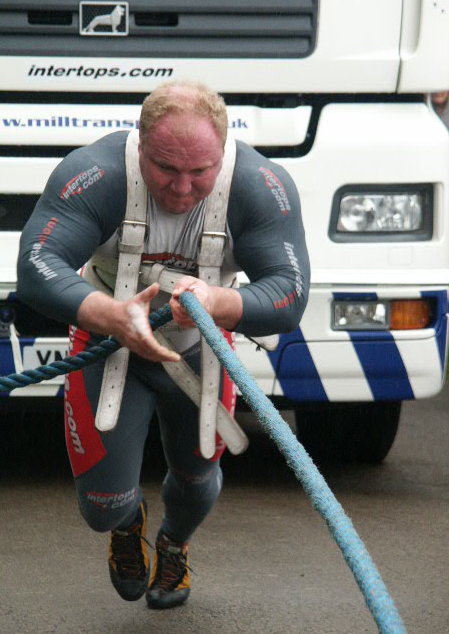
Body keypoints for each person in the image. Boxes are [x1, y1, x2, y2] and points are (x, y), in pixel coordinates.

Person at [17, 81, 310, 609]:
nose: (181, 189)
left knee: (197, 479)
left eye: (200, 172)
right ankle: (128, 526)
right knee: (101, 506)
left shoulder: (259, 185)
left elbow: (290, 296)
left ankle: (174, 543)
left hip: (198, 346)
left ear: (223, 150)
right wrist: (112, 316)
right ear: (140, 145)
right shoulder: (97, 173)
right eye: (165, 170)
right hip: (110, 343)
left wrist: (218, 302)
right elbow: (36, 268)